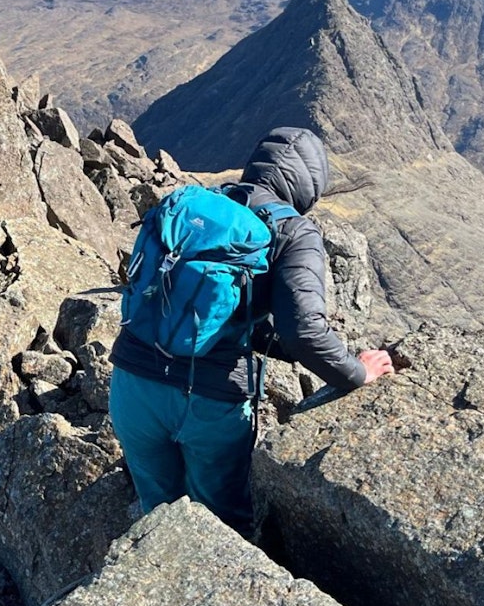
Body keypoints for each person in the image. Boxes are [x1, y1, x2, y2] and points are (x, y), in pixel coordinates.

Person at [109, 127, 394, 532]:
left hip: (130, 386)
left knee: (157, 521)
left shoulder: (199, 205)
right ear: (309, 187)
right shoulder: (294, 232)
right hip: (205, 402)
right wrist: (357, 370)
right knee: (222, 529)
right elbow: (304, 331)